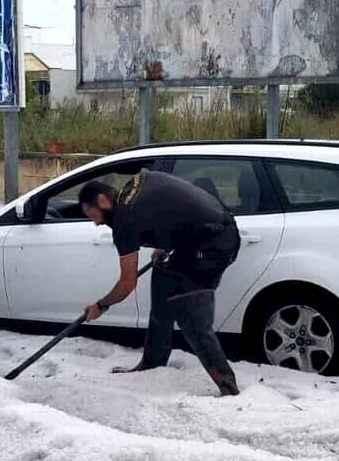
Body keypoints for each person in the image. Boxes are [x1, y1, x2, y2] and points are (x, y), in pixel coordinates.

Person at [79, 168, 242, 396]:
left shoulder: (124, 221)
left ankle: (228, 386)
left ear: (103, 201)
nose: (96, 224)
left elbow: (127, 283)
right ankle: (152, 363)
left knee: (191, 314)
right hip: (209, 234)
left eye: (93, 216)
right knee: (163, 278)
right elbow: (173, 208)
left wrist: (101, 305)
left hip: (214, 246)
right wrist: (164, 245)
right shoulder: (140, 180)